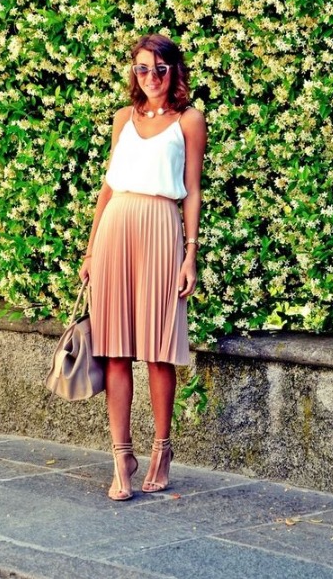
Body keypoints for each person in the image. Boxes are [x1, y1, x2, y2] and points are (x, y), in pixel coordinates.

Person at [79, 33, 207, 501]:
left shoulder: (189, 120)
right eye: (142, 68)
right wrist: (90, 251)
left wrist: (190, 253)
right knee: (114, 350)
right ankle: (121, 458)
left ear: (174, 70)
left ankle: (161, 450)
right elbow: (109, 186)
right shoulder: (123, 118)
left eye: (159, 68)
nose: (151, 77)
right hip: (115, 229)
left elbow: (192, 189)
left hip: (160, 229)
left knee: (158, 350)